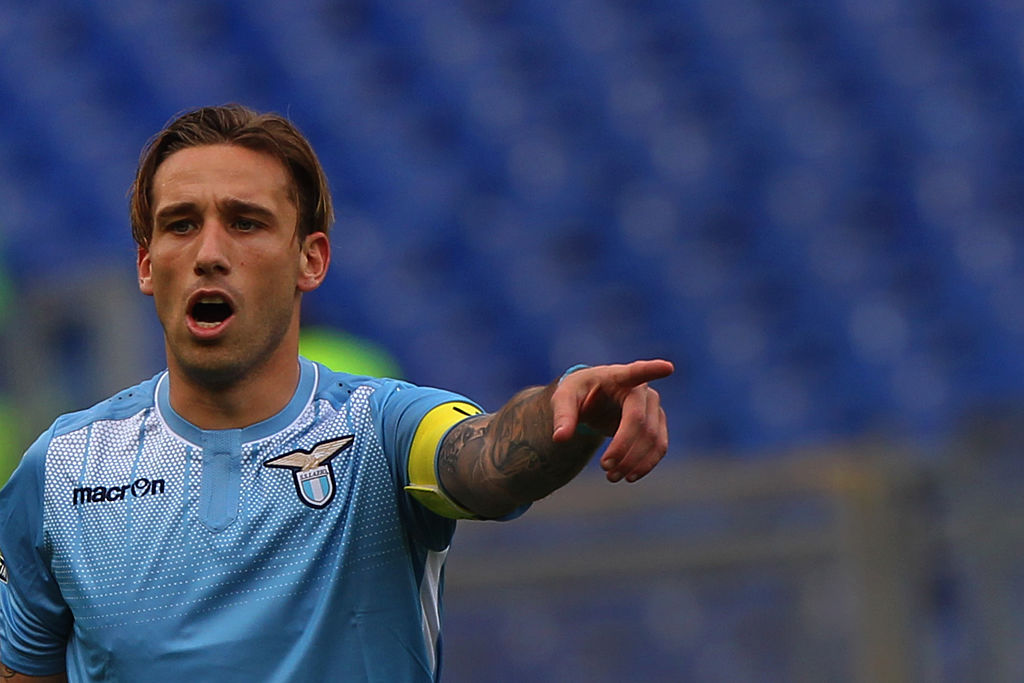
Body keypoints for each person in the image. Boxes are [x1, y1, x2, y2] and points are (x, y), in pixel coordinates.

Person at [0, 105, 673, 682]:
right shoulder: (61, 470)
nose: (209, 253)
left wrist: (567, 411)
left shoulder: (382, 429)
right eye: (180, 224)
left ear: (311, 258)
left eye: (246, 222)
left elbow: (484, 459)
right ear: (147, 265)